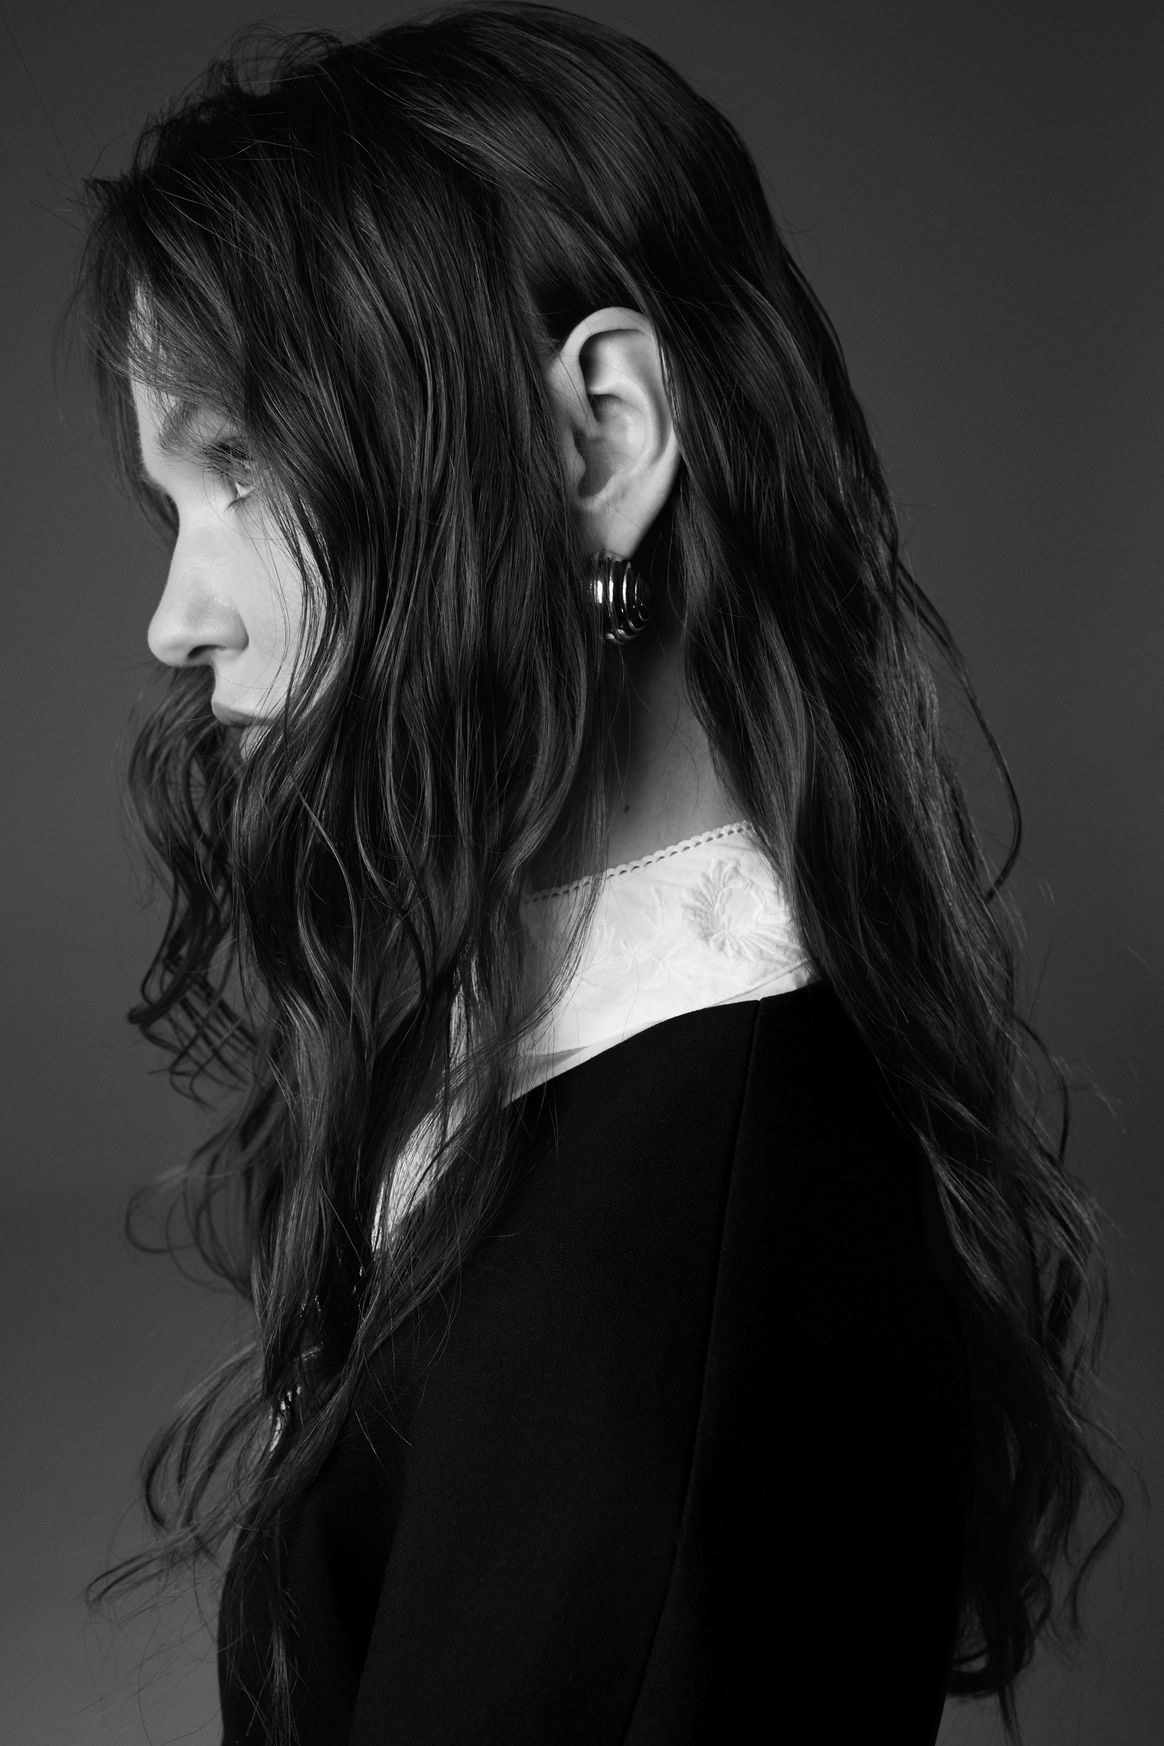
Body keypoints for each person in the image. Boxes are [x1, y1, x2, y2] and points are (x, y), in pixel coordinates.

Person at [74, 6, 1126, 1742]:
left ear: (603, 439)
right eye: (172, 500)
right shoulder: (560, 1072)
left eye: (241, 466)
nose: (176, 618)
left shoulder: (655, 1319)